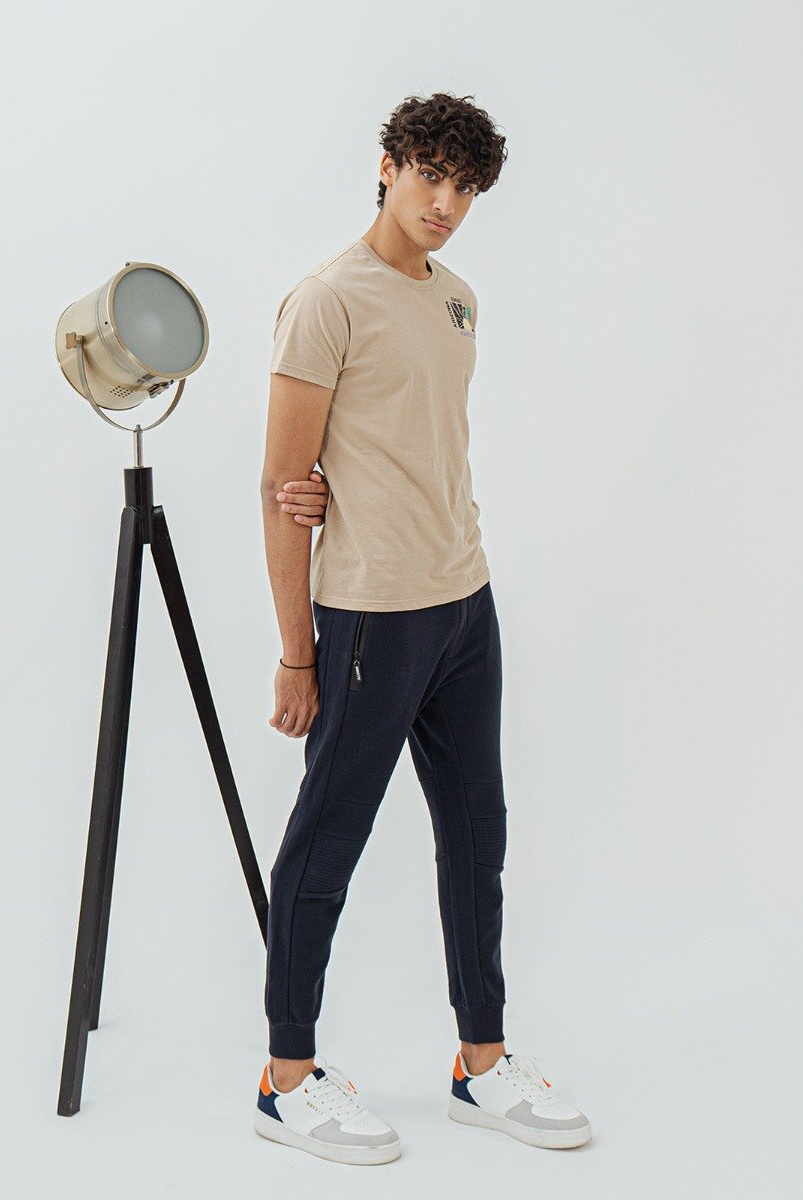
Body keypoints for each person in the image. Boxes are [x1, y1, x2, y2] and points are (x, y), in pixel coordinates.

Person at [256, 92, 592, 1165]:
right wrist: (298, 652)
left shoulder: (458, 300)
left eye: (465, 187)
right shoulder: (325, 300)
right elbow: (282, 488)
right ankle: (285, 1079)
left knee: (478, 835)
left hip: (463, 602)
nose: (445, 202)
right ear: (389, 167)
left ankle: (480, 1063)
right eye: (430, 175)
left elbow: (420, 442)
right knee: (326, 843)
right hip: (370, 614)